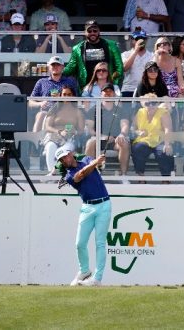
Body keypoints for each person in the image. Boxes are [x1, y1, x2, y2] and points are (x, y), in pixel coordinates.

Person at [56, 147, 111, 287]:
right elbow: (81, 175)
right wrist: (95, 163)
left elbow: (95, 165)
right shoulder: (68, 175)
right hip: (87, 208)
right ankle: (85, 271)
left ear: (71, 154)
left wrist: (98, 162)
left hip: (104, 204)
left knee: (100, 243)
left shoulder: (86, 159)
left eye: (66, 156)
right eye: (62, 159)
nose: (65, 160)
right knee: (80, 244)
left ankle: (97, 279)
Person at [84, 83, 130, 176]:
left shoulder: (120, 110)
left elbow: (125, 125)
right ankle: (89, 175)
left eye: (110, 91)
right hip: (98, 139)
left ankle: (124, 175)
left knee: (124, 143)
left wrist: (121, 134)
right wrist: (102, 137)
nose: (108, 93)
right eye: (105, 91)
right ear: (101, 94)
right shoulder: (94, 109)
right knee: (90, 143)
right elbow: (90, 129)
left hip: (115, 140)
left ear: (114, 94)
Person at [63, 20, 124, 87]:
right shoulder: (78, 48)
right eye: (89, 31)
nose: (92, 33)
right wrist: (58, 72)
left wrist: (113, 83)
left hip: (107, 88)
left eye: (95, 31)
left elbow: (119, 67)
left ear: (99, 32)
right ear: (85, 32)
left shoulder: (112, 45)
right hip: (87, 88)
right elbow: (71, 67)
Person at [42, 86, 85, 174]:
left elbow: (81, 130)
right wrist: (59, 132)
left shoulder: (78, 112)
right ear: (60, 95)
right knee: (51, 147)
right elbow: (47, 126)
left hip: (70, 139)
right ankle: (52, 174)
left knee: (62, 151)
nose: (67, 96)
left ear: (73, 96)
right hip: (53, 137)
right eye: (64, 94)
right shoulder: (55, 109)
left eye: (69, 94)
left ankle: (55, 173)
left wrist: (75, 131)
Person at [30, 56, 79, 132]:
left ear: (63, 67)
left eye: (58, 65)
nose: (55, 67)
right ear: (49, 67)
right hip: (47, 112)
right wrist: (40, 104)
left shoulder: (70, 81)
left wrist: (64, 99)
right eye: (53, 65)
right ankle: (35, 142)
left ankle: (69, 140)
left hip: (65, 112)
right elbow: (30, 102)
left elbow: (77, 99)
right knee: (40, 115)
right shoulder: (41, 82)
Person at [131, 93, 174, 177]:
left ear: (157, 103)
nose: (151, 105)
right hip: (144, 140)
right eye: (147, 103)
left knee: (164, 151)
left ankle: (166, 178)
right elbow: (132, 128)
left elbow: (167, 129)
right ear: (143, 105)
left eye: (153, 103)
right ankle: (140, 175)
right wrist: (138, 132)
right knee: (137, 148)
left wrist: (167, 144)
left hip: (160, 140)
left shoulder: (163, 112)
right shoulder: (140, 112)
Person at [121, 29, 154, 98]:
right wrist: (136, 51)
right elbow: (124, 68)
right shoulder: (125, 54)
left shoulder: (152, 55)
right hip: (128, 89)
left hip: (147, 89)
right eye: (137, 39)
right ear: (132, 40)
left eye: (142, 39)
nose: (140, 41)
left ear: (146, 40)